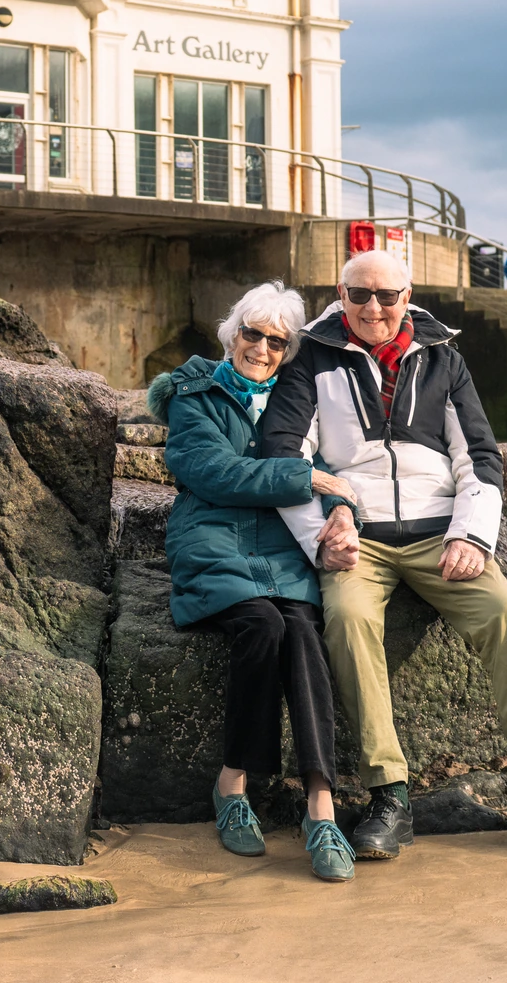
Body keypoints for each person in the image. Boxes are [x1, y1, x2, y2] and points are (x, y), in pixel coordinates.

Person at [255, 250, 507, 861]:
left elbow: (479, 459)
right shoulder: (311, 360)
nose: (372, 308)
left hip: (442, 534)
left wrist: (472, 535)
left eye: (386, 296)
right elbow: (282, 453)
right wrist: (323, 529)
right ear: (340, 293)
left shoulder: (444, 360)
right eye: (359, 295)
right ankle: (389, 795)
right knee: (348, 623)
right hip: (360, 535)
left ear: (408, 296)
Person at [148, 282, 359, 883]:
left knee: (302, 633)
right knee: (261, 625)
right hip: (211, 536)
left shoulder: (301, 401)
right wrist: (309, 479)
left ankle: (322, 805)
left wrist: (347, 514)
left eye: (276, 341)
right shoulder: (195, 392)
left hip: (284, 545)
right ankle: (233, 784)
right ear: (231, 332)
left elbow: (346, 474)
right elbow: (212, 471)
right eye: (252, 333)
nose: (261, 348)